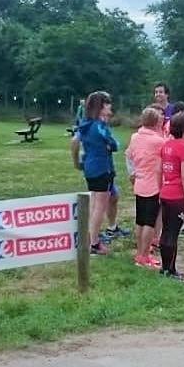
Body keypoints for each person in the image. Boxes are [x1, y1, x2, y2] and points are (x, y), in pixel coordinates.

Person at [72, 91, 120, 255]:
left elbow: (75, 141)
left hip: (89, 168)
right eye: (107, 104)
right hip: (102, 168)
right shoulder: (99, 126)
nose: (110, 107)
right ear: (101, 107)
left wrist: (76, 162)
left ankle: (89, 236)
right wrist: (109, 145)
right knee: (100, 206)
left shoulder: (85, 124)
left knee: (94, 204)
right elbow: (114, 145)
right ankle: (93, 243)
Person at [159, 111, 184, 281]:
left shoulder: (166, 145)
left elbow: (161, 169)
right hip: (177, 196)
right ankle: (172, 270)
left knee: (165, 231)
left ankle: (164, 267)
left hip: (166, 192)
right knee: (173, 234)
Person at [126, 106, 165, 268]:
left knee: (140, 220)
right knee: (149, 222)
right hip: (153, 185)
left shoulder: (135, 137)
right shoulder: (159, 141)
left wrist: (133, 172)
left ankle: (139, 253)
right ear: (156, 122)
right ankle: (144, 255)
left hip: (140, 182)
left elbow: (129, 155)